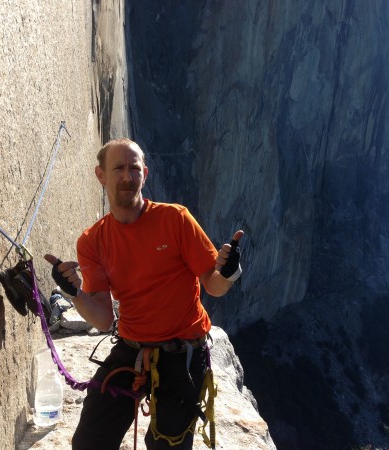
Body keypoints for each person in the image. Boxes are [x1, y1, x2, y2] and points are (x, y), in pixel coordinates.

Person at [44, 138, 243, 450]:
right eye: (119, 168)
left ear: (145, 174)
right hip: (132, 349)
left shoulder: (175, 219)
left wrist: (230, 272)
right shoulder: (92, 242)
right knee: (89, 441)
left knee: (166, 444)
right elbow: (101, 317)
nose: (127, 176)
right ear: (101, 175)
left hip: (183, 354)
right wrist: (74, 294)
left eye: (134, 168)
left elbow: (213, 285)